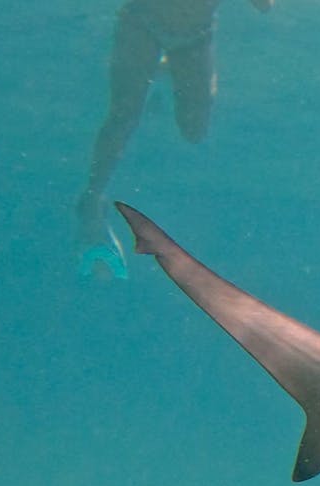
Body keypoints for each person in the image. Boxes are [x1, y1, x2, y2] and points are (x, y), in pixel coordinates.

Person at [75, 0, 274, 280]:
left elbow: (264, 6)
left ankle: (156, 69)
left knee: (194, 130)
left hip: (193, 36)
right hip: (142, 21)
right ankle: (92, 200)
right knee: (124, 114)